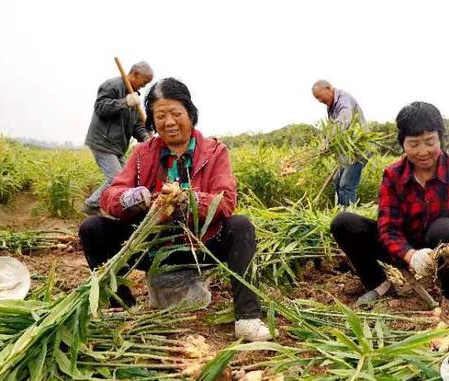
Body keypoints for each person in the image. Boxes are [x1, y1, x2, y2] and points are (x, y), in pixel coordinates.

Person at [78, 77, 271, 342]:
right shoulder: (143, 153)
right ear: (152, 121)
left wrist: (186, 200)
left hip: (199, 248)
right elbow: (110, 197)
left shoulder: (215, 152)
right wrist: (135, 197)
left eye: (175, 113)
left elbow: (225, 200)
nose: (168, 122)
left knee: (240, 226)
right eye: (160, 115)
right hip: (150, 248)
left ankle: (247, 318)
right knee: (92, 228)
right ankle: (119, 306)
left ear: (190, 113)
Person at [330, 102, 449, 318]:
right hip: (403, 248)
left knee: (447, 230)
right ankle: (380, 285)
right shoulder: (393, 175)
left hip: (444, 249)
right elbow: (388, 228)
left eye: (429, 142)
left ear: (440, 138)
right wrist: (411, 255)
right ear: (402, 143)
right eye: (413, 144)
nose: (422, 151)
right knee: (344, 223)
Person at [81, 61, 154, 215]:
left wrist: (147, 139)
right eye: (144, 81)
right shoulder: (112, 85)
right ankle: (91, 205)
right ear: (135, 74)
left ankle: (113, 208)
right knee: (115, 178)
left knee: (128, 178)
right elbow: (101, 108)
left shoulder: (135, 98)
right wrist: (124, 102)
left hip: (118, 147)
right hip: (103, 141)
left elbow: (136, 126)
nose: (144, 85)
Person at [312, 80, 367, 206]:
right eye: (317, 99)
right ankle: (339, 213)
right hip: (345, 150)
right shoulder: (331, 106)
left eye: (320, 98)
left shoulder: (344, 101)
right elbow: (334, 129)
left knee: (346, 185)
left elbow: (341, 123)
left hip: (357, 149)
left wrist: (327, 142)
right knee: (337, 181)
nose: (320, 101)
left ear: (329, 88)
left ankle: (348, 218)